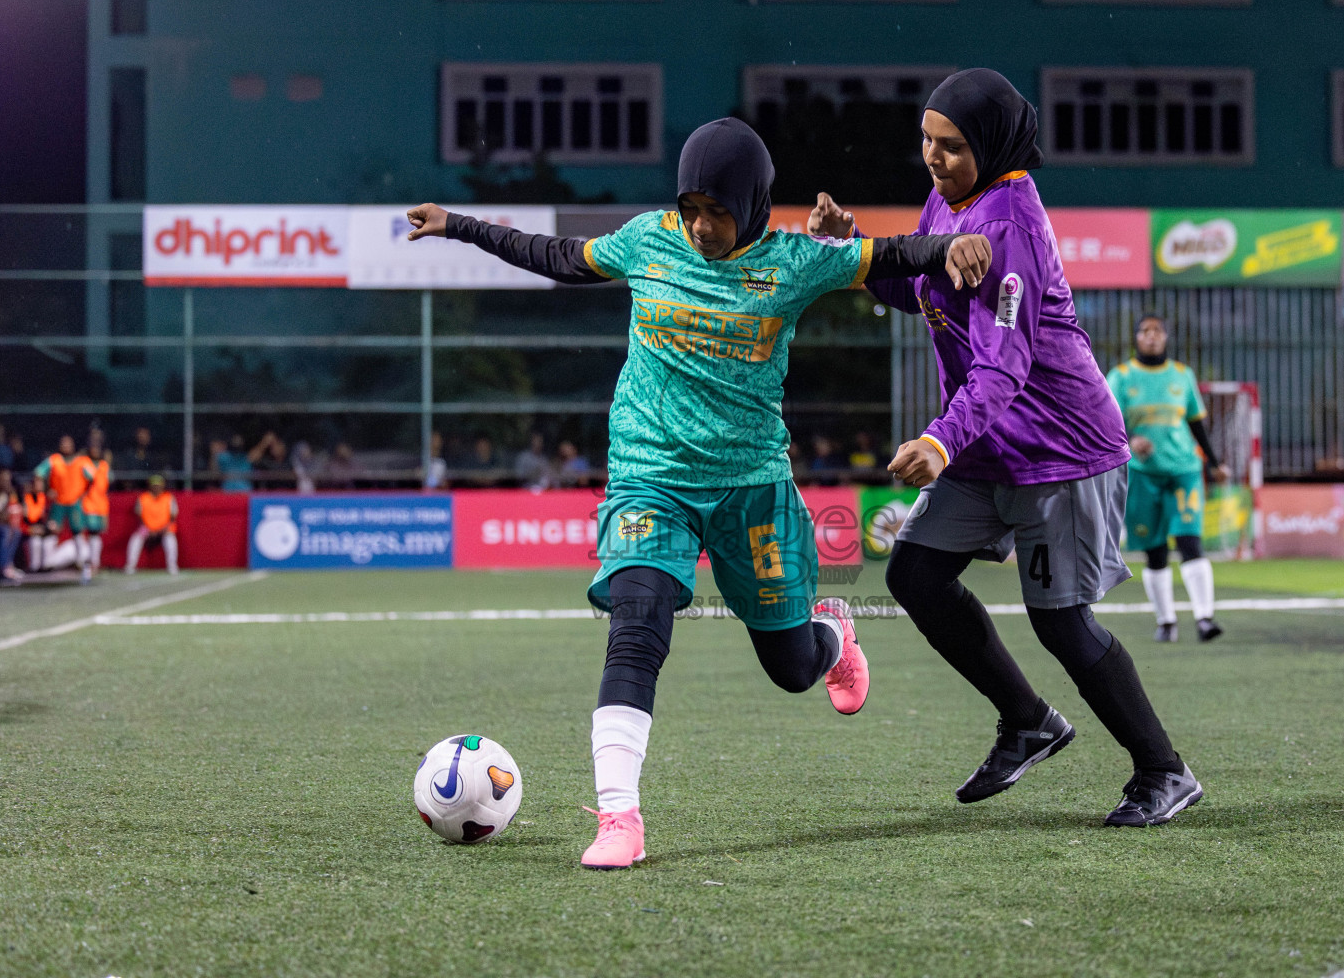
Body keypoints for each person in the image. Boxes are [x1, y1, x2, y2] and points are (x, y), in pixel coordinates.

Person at [407, 114, 992, 868]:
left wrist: (951, 244)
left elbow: (893, 252)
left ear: (752, 204)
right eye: (691, 208)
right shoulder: (649, 240)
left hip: (752, 488)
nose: (702, 226)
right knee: (638, 621)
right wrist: (457, 223)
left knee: (790, 669)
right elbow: (554, 255)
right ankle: (620, 818)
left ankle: (834, 635)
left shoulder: (794, 261)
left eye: (718, 210)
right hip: (649, 477)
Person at [811, 68, 1200, 827]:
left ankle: (1164, 770)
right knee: (917, 574)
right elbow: (918, 286)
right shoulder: (956, 197)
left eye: (951, 145)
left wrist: (938, 440)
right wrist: (849, 247)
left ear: (987, 146)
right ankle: (1028, 721)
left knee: (1060, 618)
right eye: (926, 138)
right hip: (989, 444)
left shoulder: (1007, 225)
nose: (932, 155)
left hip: (1061, 449)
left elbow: (1004, 367)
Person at [1108, 315, 1229, 644]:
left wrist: (1215, 463)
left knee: (1190, 541)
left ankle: (1205, 618)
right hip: (1142, 474)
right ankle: (1166, 621)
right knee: (1155, 550)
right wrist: (1131, 438)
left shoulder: (1182, 375)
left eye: (1157, 331)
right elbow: (1107, 420)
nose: (1151, 337)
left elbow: (1197, 424)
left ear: (1166, 337)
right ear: (1136, 338)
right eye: (1145, 331)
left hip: (1184, 470)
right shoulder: (1120, 377)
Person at [34, 434, 96, 583]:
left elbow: (94, 478)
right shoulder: (54, 460)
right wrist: (47, 489)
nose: (66, 446)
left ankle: (83, 568)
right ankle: (44, 566)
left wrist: (84, 494)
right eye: (63, 443)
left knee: (78, 533)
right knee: (51, 531)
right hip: (59, 503)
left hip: (74, 503)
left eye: (68, 443)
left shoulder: (82, 461)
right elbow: (39, 472)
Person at [125, 475, 179, 575]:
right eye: (154, 485)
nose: (156, 488)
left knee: (170, 540)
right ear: (150, 486)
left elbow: (173, 517)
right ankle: (130, 565)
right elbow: (139, 515)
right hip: (147, 528)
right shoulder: (143, 497)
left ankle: (172, 566)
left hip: (164, 529)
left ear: (162, 486)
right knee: (136, 538)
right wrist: (148, 529)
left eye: (158, 486)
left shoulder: (169, 497)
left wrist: (162, 529)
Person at [79, 431, 114, 574]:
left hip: (101, 504)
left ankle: (95, 562)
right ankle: (86, 562)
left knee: (97, 534)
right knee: (89, 533)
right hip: (88, 503)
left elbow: (109, 480)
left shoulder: (104, 465)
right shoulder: (84, 463)